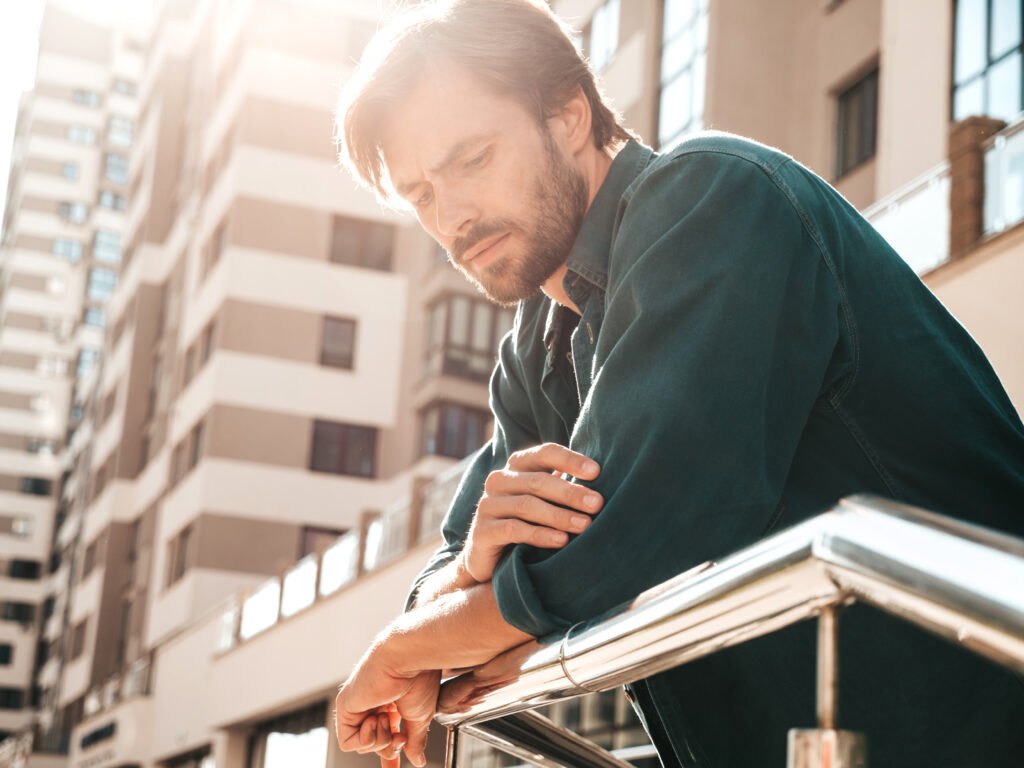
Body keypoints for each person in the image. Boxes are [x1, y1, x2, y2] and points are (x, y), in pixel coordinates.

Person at [331, 1, 1024, 766]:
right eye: (422, 195)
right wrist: (464, 576)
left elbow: (623, 543)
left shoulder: (714, 199)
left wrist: (402, 648)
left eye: (471, 161)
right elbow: (456, 571)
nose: (452, 216)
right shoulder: (537, 347)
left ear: (567, 114)